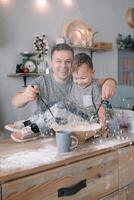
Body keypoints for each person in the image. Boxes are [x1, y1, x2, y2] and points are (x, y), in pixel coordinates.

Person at [6, 44, 116, 142]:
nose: (63, 65)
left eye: (68, 61)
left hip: (77, 130)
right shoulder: (43, 81)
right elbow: (15, 102)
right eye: (58, 61)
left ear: (73, 63)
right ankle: (27, 124)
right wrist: (25, 95)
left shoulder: (79, 79)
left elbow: (97, 83)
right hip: (48, 139)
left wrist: (110, 81)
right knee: (48, 108)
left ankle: (34, 128)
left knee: (59, 106)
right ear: (52, 63)